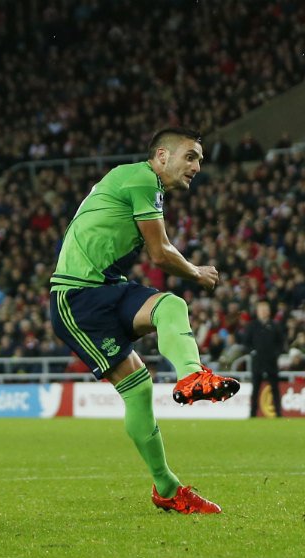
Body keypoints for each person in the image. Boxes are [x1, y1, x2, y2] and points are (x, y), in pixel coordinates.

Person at [49, 127, 240, 514]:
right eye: (190, 157)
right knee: (137, 390)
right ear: (162, 156)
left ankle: (192, 377)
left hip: (107, 287)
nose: (197, 167)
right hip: (77, 299)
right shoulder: (141, 178)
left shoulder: (139, 183)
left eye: (200, 160)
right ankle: (167, 486)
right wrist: (198, 272)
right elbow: (160, 252)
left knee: (169, 306)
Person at [242, 300, 286, 418]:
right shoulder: (252, 326)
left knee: (275, 388)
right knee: (255, 389)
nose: (263, 312)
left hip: (271, 362)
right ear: (257, 312)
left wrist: (276, 354)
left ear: (269, 311)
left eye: (265, 310)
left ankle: (278, 413)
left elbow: (281, 343)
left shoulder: (275, 325)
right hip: (257, 362)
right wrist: (252, 352)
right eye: (261, 310)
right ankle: (252, 414)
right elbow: (246, 343)